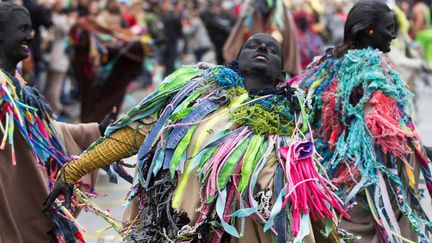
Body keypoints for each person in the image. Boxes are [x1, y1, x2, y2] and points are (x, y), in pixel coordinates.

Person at [44, 33, 347, 242]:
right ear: (236, 58)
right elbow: (137, 134)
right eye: (254, 45)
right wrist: (74, 170)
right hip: (173, 226)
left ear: (281, 71)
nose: (263, 50)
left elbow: (305, 197)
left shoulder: (287, 124)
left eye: (271, 50)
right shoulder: (195, 94)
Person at [298, 1, 432, 242]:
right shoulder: (372, 67)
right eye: (388, 28)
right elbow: (378, 126)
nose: (392, 35)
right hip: (366, 180)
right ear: (369, 30)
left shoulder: (328, 63)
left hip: (335, 176)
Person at [0, 3, 109, 242]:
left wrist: (94, 131)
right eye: (22, 29)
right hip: (10, 203)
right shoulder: (3, 89)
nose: (30, 35)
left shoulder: (16, 82)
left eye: (30, 28)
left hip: (29, 199)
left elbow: (44, 131)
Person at [223, 0, 301, 76]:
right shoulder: (250, 10)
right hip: (247, 71)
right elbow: (234, 44)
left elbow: (289, 48)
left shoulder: (282, 13)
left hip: (274, 75)